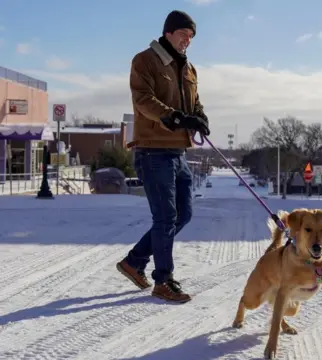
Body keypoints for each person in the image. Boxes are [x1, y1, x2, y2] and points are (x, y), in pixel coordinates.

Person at [116, 10, 210, 304]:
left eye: (191, 36)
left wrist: (200, 117)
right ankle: (163, 280)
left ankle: (134, 261)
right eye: (184, 34)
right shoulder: (145, 60)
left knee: (184, 214)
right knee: (166, 216)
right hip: (153, 150)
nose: (187, 40)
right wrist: (174, 117)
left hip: (178, 152)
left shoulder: (189, 69)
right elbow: (143, 100)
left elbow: (195, 103)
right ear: (168, 32)